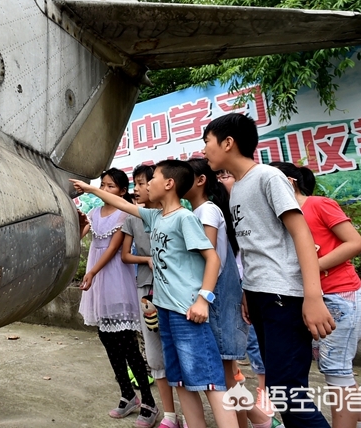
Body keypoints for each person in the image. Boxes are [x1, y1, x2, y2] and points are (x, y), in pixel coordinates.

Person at [72, 161, 240, 428]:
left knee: (210, 381)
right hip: (165, 311)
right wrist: (90, 189)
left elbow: (213, 259)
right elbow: (125, 205)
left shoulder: (184, 218)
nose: (147, 183)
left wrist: (202, 300)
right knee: (180, 380)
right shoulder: (155, 218)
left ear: (169, 184)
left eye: (153, 178)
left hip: (188, 313)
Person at [202, 113, 335, 428]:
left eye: (207, 141)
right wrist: (249, 291)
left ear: (228, 143)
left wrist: (312, 297)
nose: (205, 149)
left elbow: (302, 234)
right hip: (262, 296)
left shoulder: (267, 176)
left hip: (283, 296)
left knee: (289, 394)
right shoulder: (240, 187)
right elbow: (255, 247)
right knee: (282, 392)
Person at [271, 161, 361, 428]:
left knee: (336, 372)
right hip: (310, 297)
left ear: (289, 182)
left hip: (339, 294)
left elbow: (355, 242)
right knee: (337, 370)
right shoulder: (282, 216)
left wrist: (312, 265)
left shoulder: (318, 204)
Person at [185, 159, 274, 428]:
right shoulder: (202, 212)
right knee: (226, 373)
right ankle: (260, 420)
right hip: (218, 298)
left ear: (201, 180)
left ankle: (254, 422)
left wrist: (201, 296)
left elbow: (212, 261)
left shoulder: (207, 212)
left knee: (225, 374)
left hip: (218, 300)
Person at [78, 168, 159, 427]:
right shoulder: (94, 213)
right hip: (97, 277)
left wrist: (91, 272)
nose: (105, 189)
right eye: (102, 184)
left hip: (114, 277)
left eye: (111, 186)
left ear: (122, 191)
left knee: (126, 341)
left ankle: (149, 401)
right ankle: (127, 394)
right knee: (106, 336)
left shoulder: (125, 212)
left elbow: (114, 249)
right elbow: (86, 237)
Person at [122, 164, 186, 428]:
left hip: (173, 291)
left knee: (180, 351)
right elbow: (126, 255)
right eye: (134, 184)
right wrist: (146, 259)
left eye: (141, 183)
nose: (137, 189)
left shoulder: (178, 216)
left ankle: (188, 414)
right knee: (155, 352)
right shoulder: (133, 219)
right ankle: (169, 414)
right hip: (146, 290)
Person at [218, 169, 272, 418]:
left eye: (227, 176)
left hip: (251, 284)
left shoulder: (248, 206)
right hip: (234, 286)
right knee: (236, 350)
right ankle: (253, 407)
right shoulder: (217, 213)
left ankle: (264, 391)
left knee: (254, 343)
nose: (224, 180)